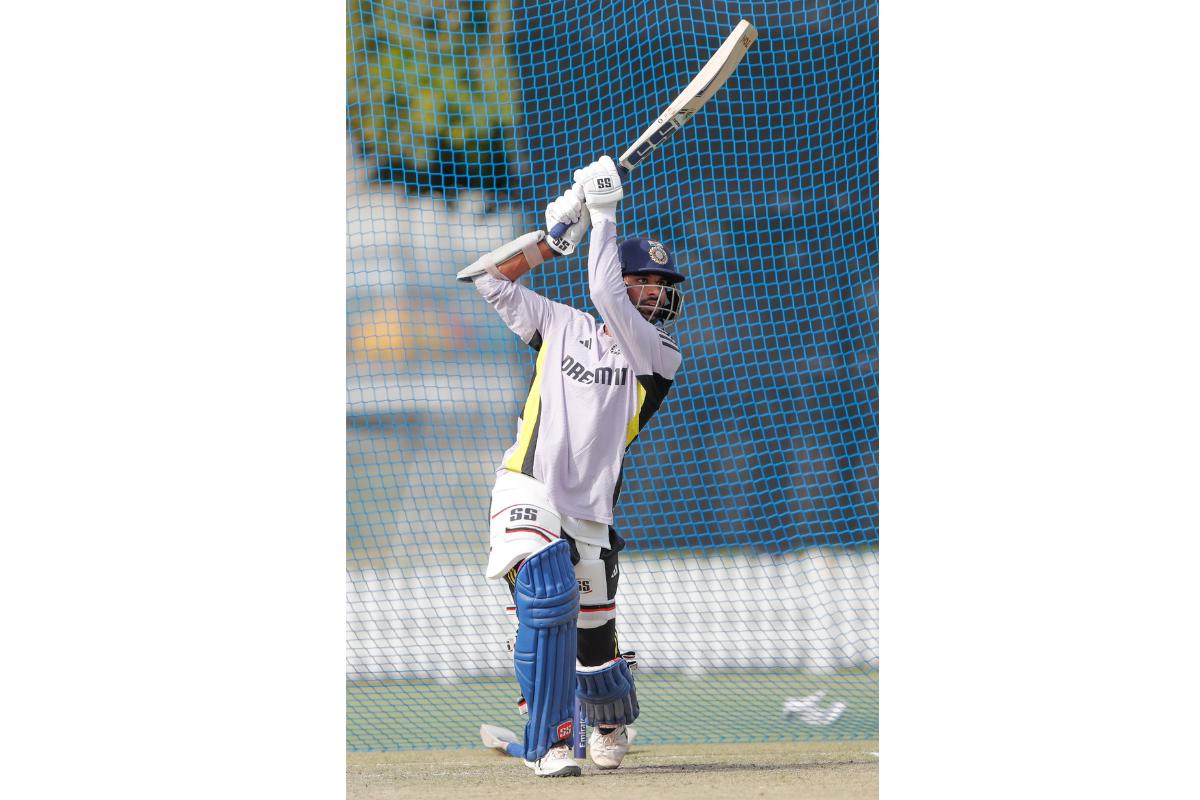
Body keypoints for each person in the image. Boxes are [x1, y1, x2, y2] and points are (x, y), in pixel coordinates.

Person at [457, 156, 685, 777]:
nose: (661, 293)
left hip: (590, 510)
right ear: (628, 277)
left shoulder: (658, 354)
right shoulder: (559, 324)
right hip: (527, 482)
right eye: (650, 281)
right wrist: (554, 238)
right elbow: (485, 278)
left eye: (665, 286)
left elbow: (604, 292)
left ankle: (604, 721)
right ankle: (551, 741)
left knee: (592, 642)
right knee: (545, 592)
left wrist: (605, 212)